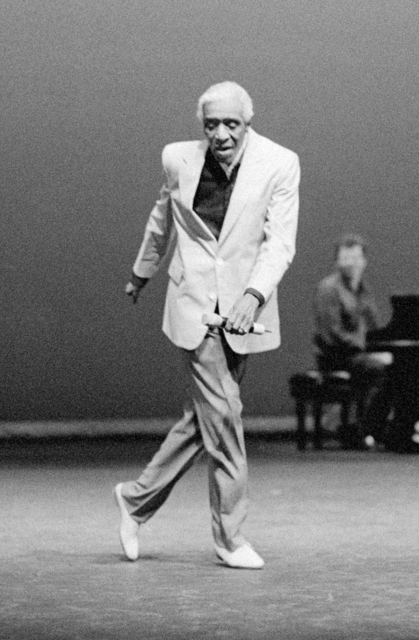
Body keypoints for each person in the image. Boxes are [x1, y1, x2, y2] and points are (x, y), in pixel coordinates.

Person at [114, 81, 300, 569]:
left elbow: (279, 242)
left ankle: (135, 500)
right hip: (194, 302)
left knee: (205, 420)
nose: (220, 134)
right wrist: (142, 272)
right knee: (225, 416)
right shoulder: (178, 158)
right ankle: (230, 536)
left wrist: (254, 295)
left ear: (248, 122)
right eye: (211, 124)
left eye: (231, 124)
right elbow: (162, 220)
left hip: (244, 308)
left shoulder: (280, 163)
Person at [313, 233, 392, 449]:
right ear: (337, 261)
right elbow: (332, 334)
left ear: (364, 261)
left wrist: (385, 346)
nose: (350, 263)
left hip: (356, 354)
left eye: (355, 258)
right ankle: (363, 430)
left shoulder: (363, 289)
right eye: (345, 258)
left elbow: (374, 326)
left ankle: (389, 429)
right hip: (336, 357)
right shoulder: (328, 288)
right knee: (380, 369)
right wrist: (368, 350)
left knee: (399, 364)